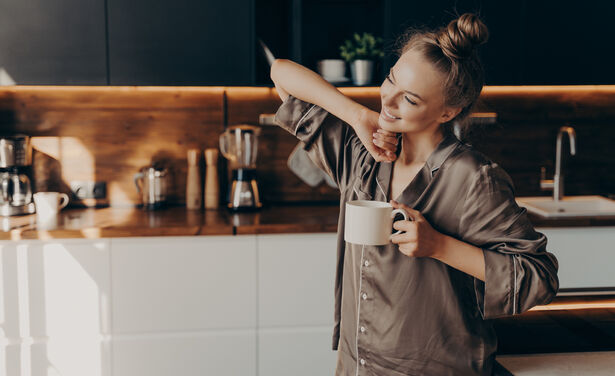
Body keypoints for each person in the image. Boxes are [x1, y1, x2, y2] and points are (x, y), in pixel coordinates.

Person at [270, 13, 559, 376]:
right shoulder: (360, 154)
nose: (387, 102)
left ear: (448, 111)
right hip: (358, 365)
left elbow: (538, 276)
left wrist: (438, 246)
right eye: (390, 79)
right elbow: (281, 72)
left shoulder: (472, 178)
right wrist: (356, 114)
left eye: (409, 98)